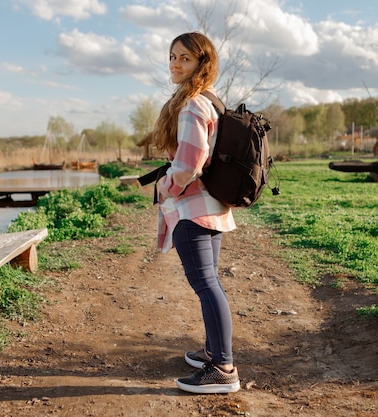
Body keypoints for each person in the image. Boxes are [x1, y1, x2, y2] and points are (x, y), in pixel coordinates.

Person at [151, 32, 240, 394]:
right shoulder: (211, 101)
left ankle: (223, 368)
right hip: (213, 206)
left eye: (184, 58)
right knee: (210, 282)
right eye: (172, 56)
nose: (175, 64)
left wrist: (165, 186)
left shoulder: (191, 106)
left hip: (193, 210)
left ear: (201, 63)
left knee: (207, 285)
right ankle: (213, 352)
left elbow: (189, 165)